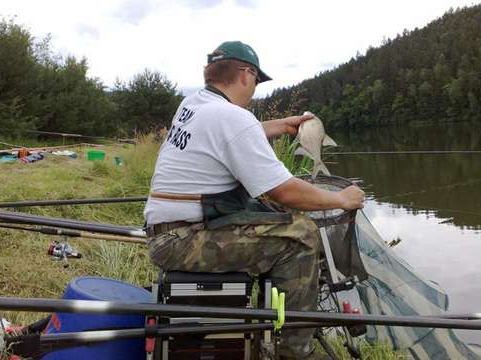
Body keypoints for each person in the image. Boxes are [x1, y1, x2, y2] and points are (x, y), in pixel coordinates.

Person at [144, 41, 365, 359]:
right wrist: (341, 199)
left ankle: (265, 321)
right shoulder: (233, 118)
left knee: (274, 219)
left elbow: (225, 134)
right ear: (246, 74)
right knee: (301, 237)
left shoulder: (193, 104)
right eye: (257, 81)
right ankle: (294, 351)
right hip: (182, 240)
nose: (255, 88)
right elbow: (283, 191)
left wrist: (278, 126)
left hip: (165, 231)